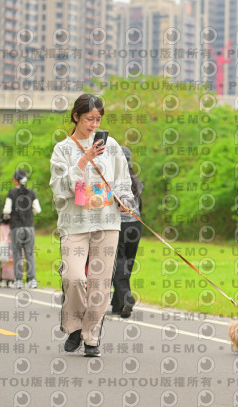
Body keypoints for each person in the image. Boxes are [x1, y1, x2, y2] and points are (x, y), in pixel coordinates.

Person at [50, 93, 135, 357]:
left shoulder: (112, 147)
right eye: (89, 119)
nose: (94, 125)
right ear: (76, 116)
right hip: (75, 222)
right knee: (73, 277)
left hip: (107, 221)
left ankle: (91, 337)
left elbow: (123, 180)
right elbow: (59, 188)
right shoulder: (62, 149)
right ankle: (75, 326)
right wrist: (84, 159)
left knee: (100, 283)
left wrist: (125, 200)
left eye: (98, 120)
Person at [110, 146, 143, 318]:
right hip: (136, 225)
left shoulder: (113, 178)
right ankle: (118, 305)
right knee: (127, 264)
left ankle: (125, 296)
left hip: (119, 225)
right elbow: (140, 205)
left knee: (118, 263)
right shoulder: (136, 180)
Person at [2, 169, 42, 289]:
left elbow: (7, 210)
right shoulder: (31, 193)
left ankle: (18, 280)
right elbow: (38, 210)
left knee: (17, 253)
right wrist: (29, 213)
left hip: (16, 227)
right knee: (29, 253)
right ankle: (32, 280)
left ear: (15, 180)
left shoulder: (11, 193)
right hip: (29, 227)